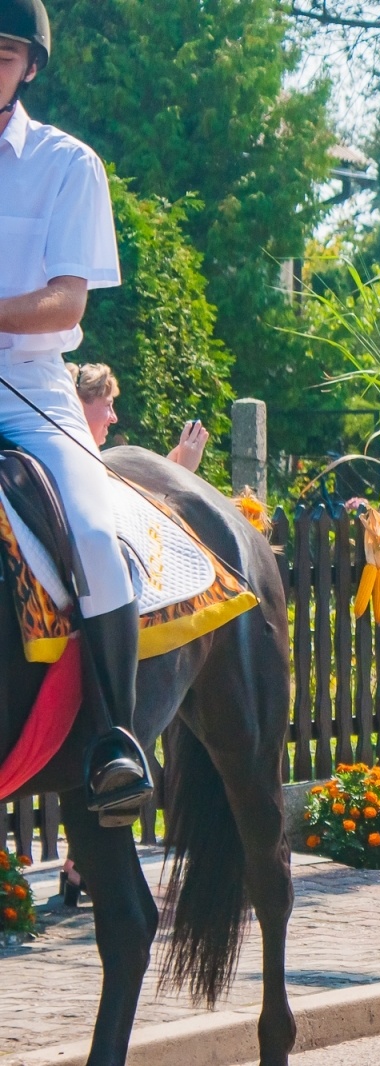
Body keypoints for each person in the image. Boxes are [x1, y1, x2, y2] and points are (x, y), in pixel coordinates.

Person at [0, 0, 152, 826]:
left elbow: (65, 304)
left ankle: (115, 743)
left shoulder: (66, 165)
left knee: (94, 535)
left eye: (0, 54)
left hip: (27, 388)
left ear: (29, 67)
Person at [69, 362, 210, 471]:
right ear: (79, 404)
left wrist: (171, 468)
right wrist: (183, 471)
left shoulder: (79, 459)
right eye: (108, 405)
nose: (114, 418)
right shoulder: (80, 464)